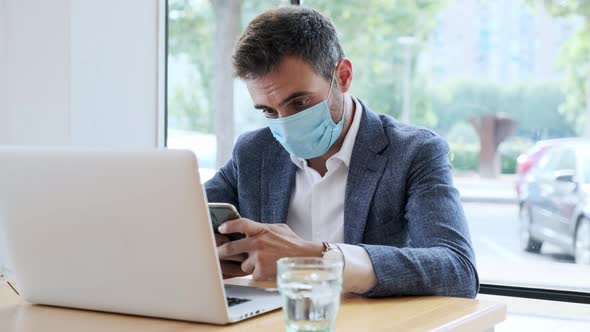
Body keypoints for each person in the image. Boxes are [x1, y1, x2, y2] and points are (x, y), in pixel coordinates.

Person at [205, 6, 478, 298]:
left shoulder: (414, 152)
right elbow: (183, 220)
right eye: (269, 111)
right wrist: (209, 259)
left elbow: (457, 271)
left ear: (343, 76)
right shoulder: (254, 152)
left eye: (299, 103)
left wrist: (317, 258)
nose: (284, 123)